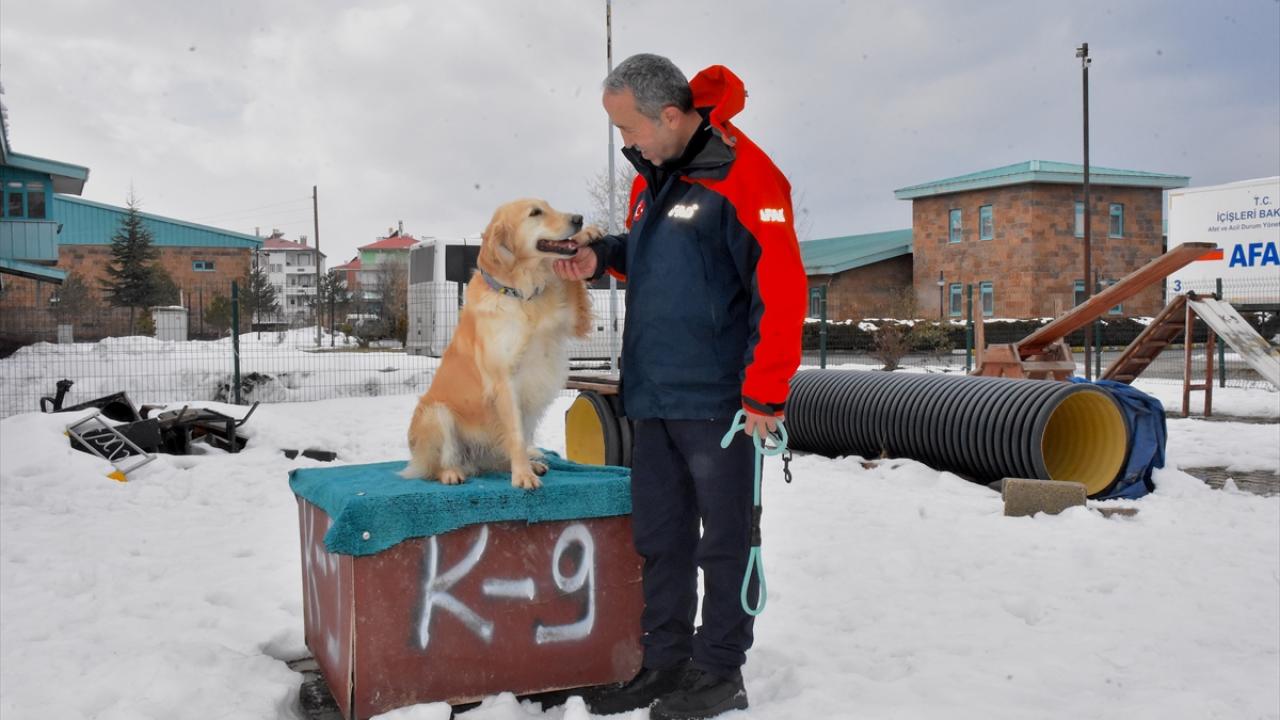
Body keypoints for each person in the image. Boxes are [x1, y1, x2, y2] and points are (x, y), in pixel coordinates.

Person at [555, 54, 806, 719]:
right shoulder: (652, 183)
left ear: (670, 115)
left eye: (628, 128)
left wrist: (764, 395)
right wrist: (602, 256)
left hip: (722, 406)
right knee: (660, 537)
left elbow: (781, 292)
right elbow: (654, 258)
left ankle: (720, 670)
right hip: (653, 396)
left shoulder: (749, 179)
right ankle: (664, 662)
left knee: (723, 542)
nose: (624, 143)